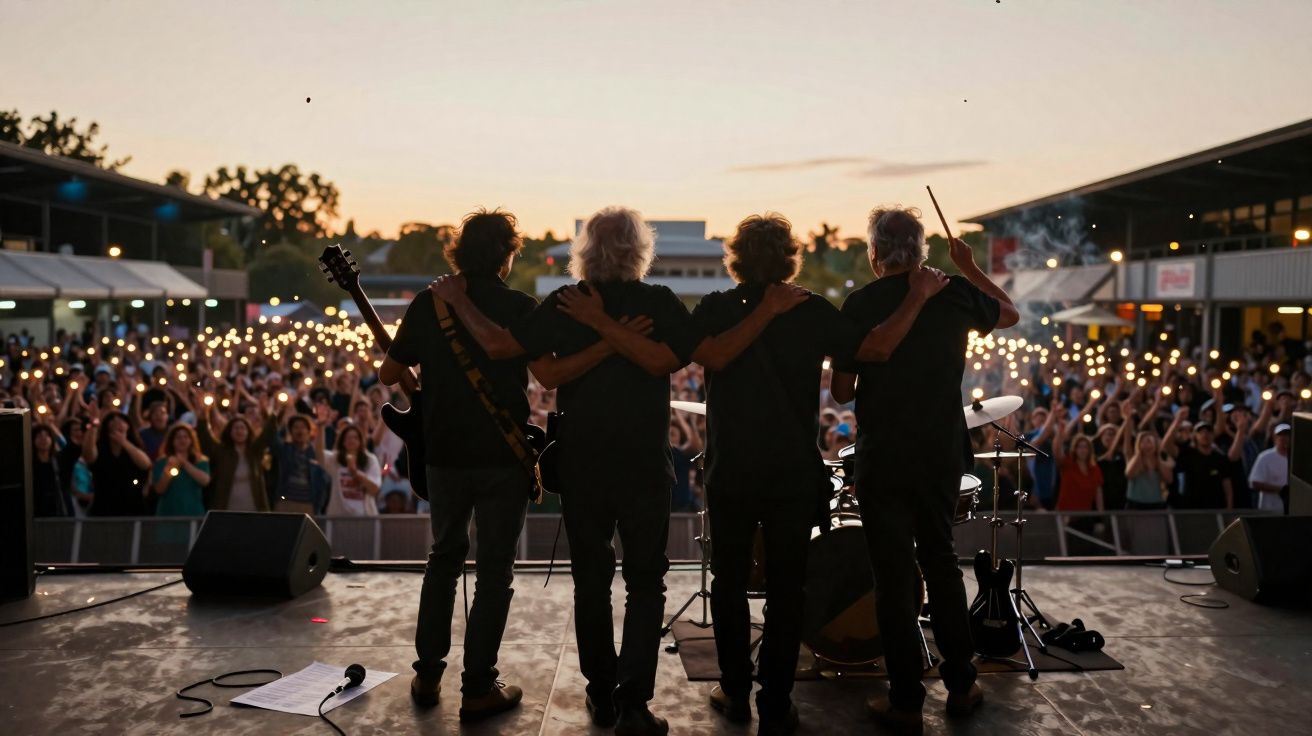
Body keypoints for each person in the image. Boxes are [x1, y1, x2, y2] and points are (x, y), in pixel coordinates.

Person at [436, 206, 702, 735]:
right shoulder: (658, 302)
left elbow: (534, 364)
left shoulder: (567, 302)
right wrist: (615, 337)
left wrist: (597, 326)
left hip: (583, 465)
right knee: (646, 584)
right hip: (642, 466)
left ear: (585, 251)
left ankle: (601, 694)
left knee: (591, 583)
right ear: (640, 250)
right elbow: (656, 361)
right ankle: (632, 704)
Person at [689, 213, 933, 734]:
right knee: (787, 589)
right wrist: (915, 299)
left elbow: (709, 355)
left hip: (732, 469)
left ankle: (735, 692)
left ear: (736, 258)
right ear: (789, 258)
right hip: (792, 473)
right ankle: (776, 703)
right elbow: (874, 349)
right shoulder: (811, 308)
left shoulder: (716, 307)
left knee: (728, 584)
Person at [830, 206, 1018, 733]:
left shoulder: (861, 303)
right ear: (921, 251)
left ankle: (906, 701)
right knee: (940, 563)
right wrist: (970, 266)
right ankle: (961, 686)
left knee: (893, 579)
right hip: (939, 454)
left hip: (884, 456)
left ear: (874, 253)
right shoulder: (953, 292)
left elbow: (842, 393)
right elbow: (1009, 313)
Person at [381, 208, 541, 722]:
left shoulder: (429, 303)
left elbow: (389, 372)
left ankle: (428, 676)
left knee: (443, 560)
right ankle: (478, 687)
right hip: (502, 456)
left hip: (445, 456)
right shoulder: (521, 306)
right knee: (495, 572)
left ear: (458, 253)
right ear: (507, 255)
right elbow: (543, 373)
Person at [196, 396, 272, 512]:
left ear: (248, 432)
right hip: (226, 509)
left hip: (253, 509)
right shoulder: (221, 451)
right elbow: (205, 438)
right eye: (236, 428)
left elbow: (269, 433)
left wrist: (266, 414)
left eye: (242, 428)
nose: (239, 431)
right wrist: (203, 416)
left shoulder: (254, 452)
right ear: (229, 432)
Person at [82, 410, 152, 516]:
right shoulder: (100, 448)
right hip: (104, 506)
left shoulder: (135, 447)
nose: (117, 423)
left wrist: (123, 442)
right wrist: (94, 425)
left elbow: (146, 464)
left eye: (121, 420)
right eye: (113, 421)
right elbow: (88, 456)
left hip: (133, 506)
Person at [320, 422, 382, 516]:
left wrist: (355, 473)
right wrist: (320, 426)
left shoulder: (370, 460)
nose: (351, 440)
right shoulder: (335, 459)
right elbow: (319, 455)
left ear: (361, 441)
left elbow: (374, 489)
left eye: (355, 437)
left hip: (364, 517)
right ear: (343, 442)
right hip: (339, 517)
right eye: (348, 438)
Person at [149, 424, 211, 517]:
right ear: (172, 441)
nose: (182, 440)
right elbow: (159, 490)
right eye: (178, 437)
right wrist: (169, 469)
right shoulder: (161, 462)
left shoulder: (201, 461)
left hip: (193, 513)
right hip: (167, 514)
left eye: (186, 437)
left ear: (191, 440)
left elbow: (205, 481)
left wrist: (184, 463)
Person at [32, 423, 73, 517]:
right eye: (39, 436)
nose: (43, 439)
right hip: (38, 511)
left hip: (60, 510)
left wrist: (52, 426)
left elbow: (67, 447)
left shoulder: (59, 461)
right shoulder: (30, 465)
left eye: (47, 435)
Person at [1248, 423, 1291, 513]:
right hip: (1269, 511)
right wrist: (1280, 489)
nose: (1284, 438)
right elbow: (1254, 483)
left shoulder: (1296, 458)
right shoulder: (1265, 457)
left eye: (1287, 434)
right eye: (1280, 434)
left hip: (1290, 511)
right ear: (1274, 437)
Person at [1125, 432, 1172, 509]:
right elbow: (1129, 475)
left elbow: (1169, 479)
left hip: (1157, 504)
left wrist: (1158, 460)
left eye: (1149, 441)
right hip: (1136, 504)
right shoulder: (1134, 460)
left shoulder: (1161, 461)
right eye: (1142, 442)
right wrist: (1138, 455)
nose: (1146, 445)